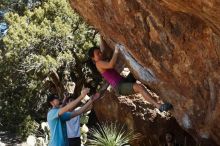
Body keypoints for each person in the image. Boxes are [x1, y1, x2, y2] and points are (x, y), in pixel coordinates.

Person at [88, 37, 172, 112]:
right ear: (93, 58)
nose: (100, 54)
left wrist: (101, 37)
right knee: (139, 87)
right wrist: (116, 51)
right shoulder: (98, 63)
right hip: (119, 87)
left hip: (123, 81)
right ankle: (159, 106)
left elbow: (103, 49)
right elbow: (110, 65)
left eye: (100, 52)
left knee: (136, 72)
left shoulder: (101, 59)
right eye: (97, 54)